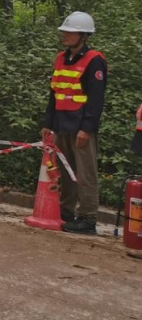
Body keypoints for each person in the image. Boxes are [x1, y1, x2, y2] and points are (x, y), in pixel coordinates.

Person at [41, 12, 107, 235]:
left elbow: (96, 100)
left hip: (80, 127)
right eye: (64, 31)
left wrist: (87, 128)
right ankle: (66, 211)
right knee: (64, 171)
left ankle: (88, 218)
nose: (65, 35)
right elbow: (54, 94)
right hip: (61, 123)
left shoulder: (94, 60)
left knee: (85, 173)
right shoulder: (60, 58)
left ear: (84, 35)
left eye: (70, 32)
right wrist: (48, 123)